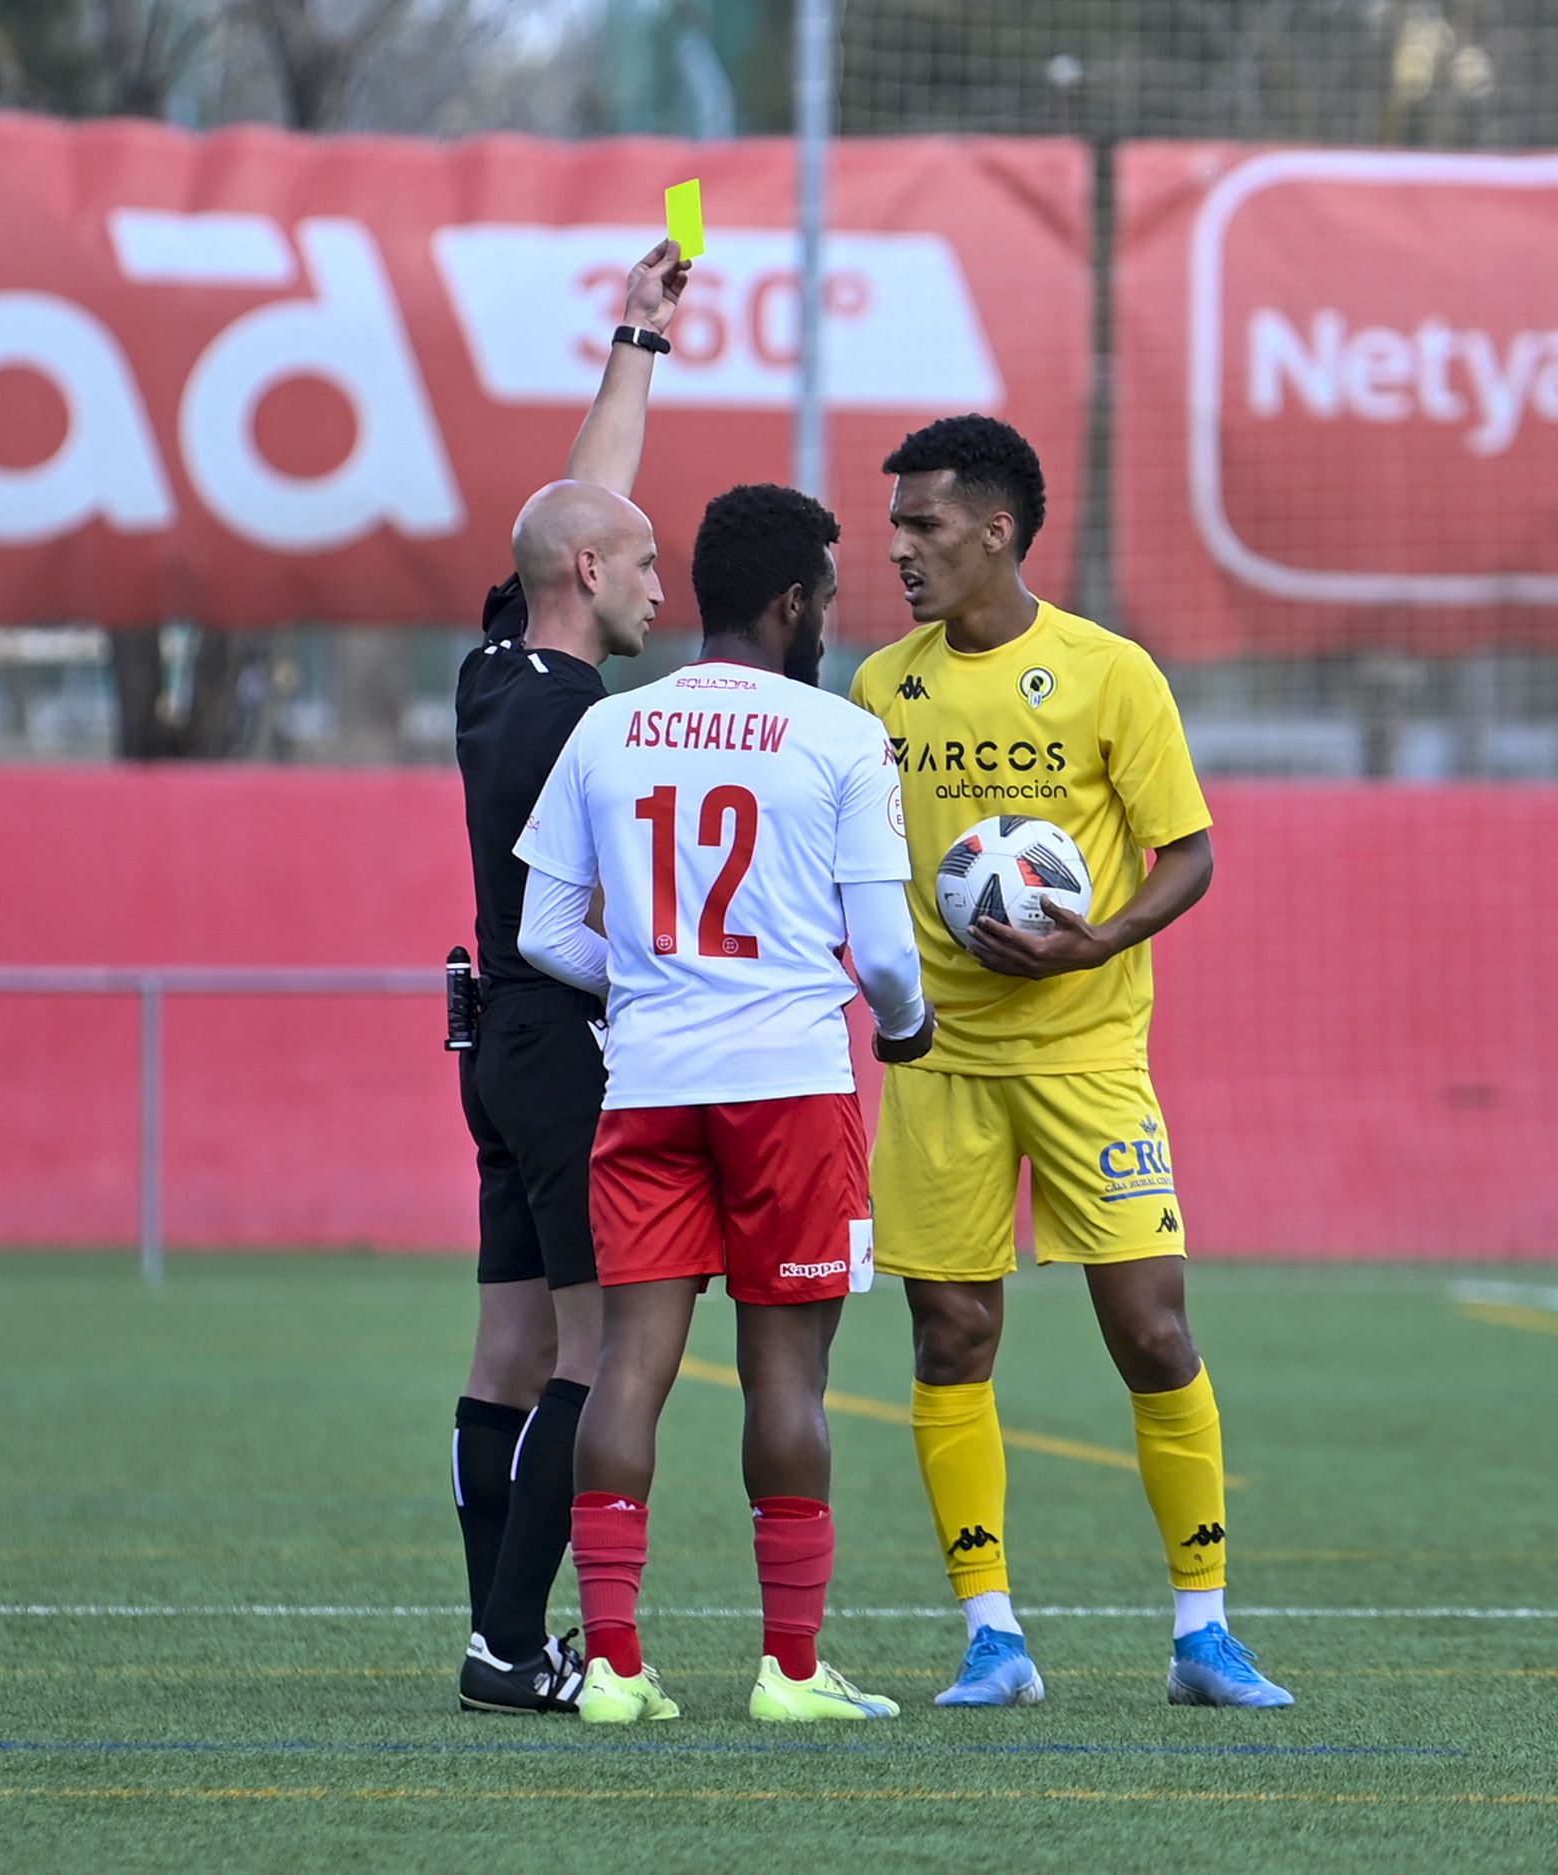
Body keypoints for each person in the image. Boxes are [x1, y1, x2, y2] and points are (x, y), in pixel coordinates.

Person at [849, 413, 1292, 1711]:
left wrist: (1099, 935)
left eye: (921, 525)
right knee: (950, 1332)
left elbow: (1188, 854)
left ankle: (1201, 1630)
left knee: (1150, 1328)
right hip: (936, 1061)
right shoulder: (879, 685)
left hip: (1089, 1056)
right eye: (894, 527)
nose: (899, 550)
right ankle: (991, 1634)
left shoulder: (1109, 674)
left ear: (996, 532)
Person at [515, 482, 936, 1725]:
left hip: (647, 1089)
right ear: (792, 601)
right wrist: (903, 1031)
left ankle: (613, 1670)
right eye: (828, 599)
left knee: (628, 1374)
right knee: (787, 1386)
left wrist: (645, 990)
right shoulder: (840, 736)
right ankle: (791, 1675)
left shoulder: (605, 730)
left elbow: (545, 931)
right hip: (790, 1093)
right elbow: (889, 959)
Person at [450, 239, 688, 1715]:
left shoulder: (494, 671)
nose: (663, 585)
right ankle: (510, 1639)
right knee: (596, 1350)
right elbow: (563, 925)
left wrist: (636, 345)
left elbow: (566, 512)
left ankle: (495, 1636)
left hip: (494, 1050)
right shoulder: (577, 731)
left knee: (509, 1342)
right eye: (645, 562)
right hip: (560, 1045)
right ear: (594, 578)